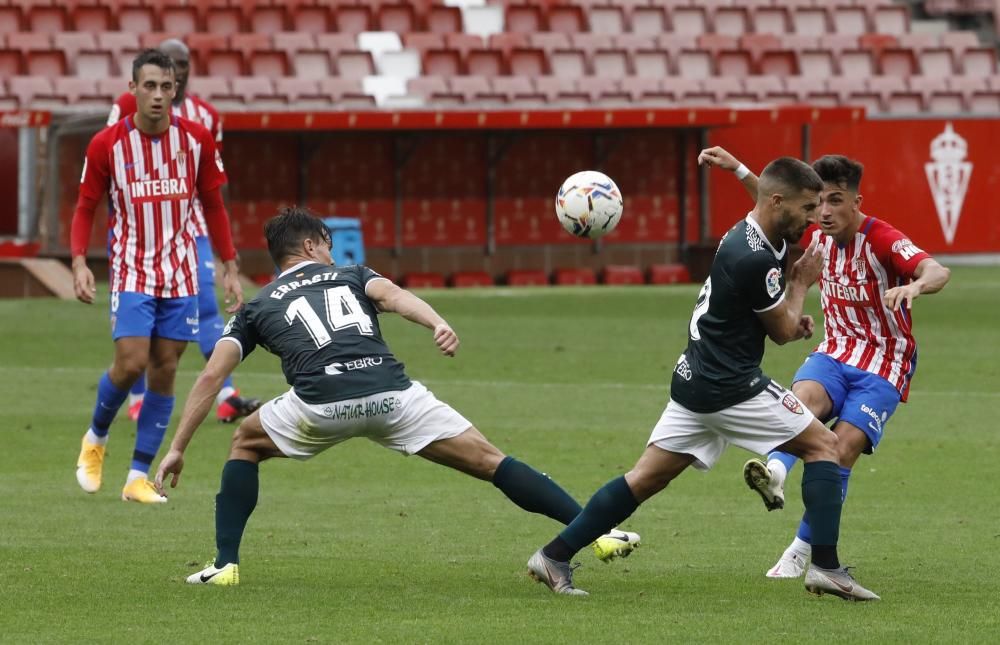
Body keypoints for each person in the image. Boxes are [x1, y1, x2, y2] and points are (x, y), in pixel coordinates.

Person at [153, 208, 640, 586]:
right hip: (392, 396)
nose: (331, 251)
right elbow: (394, 296)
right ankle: (595, 531)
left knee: (245, 442)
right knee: (491, 460)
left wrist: (178, 447)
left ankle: (225, 564)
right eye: (326, 243)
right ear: (309, 244)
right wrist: (437, 322)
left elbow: (212, 376)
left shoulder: (257, 305)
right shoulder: (353, 274)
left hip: (321, 407)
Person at [525, 157, 880, 600]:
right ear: (778, 203)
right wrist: (802, 284)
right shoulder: (752, 257)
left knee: (644, 479)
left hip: (695, 380)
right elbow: (783, 331)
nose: (814, 218)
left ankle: (553, 556)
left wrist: (737, 169)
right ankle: (825, 567)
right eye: (808, 208)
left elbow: (767, 201)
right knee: (824, 447)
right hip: (730, 387)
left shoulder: (752, 230)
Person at [698, 146, 951, 578]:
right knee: (802, 403)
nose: (825, 212)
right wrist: (738, 167)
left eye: (836, 200)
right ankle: (774, 472)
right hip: (835, 351)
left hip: (884, 363)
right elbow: (772, 195)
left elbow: (936, 270)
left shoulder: (882, 238)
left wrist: (915, 288)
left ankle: (799, 549)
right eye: (819, 203)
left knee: (844, 448)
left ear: (856, 202)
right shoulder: (812, 231)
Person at [72, 49, 243, 504]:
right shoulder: (107, 144)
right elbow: (86, 204)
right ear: (133, 90)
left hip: (182, 272)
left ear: (175, 91)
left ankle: (137, 477)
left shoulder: (198, 140)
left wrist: (228, 265)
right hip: (131, 267)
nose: (158, 96)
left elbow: (214, 205)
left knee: (165, 369)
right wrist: (78, 260)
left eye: (166, 87)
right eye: (149, 86)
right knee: (131, 363)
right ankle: (96, 437)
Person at [107, 38, 261, 424]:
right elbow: (109, 161)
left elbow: (213, 184)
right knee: (143, 319)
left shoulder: (206, 116)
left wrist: (223, 243)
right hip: (138, 233)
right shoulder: (127, 106)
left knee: (205, 307)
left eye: (183, 65)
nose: (177, 71)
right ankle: (139, 395)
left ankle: (225, 394)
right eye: (170, 63)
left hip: (189, 228)